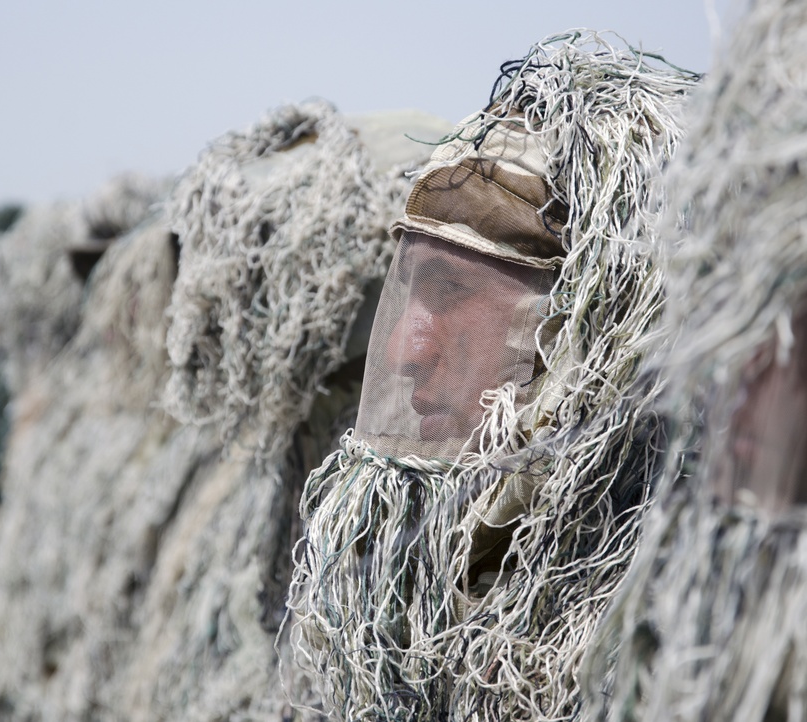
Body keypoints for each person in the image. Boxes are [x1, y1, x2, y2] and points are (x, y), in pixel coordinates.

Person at [287, 32, 699, 721]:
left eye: (451, 293)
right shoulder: (410, 566)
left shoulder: (677, 620)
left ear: (583, 329)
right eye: (408, 292)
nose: (402, 352)